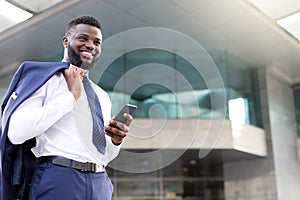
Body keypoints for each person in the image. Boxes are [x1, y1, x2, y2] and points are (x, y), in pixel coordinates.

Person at [0, 15, 132, 200]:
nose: (90, 45)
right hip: (59, 178)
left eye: (97, 42)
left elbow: (104, 155)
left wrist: (115, 141)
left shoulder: (101, 95)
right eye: (83, 38)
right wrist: (71, 97)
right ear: (66, 41)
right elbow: (15, 132)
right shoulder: (45, 80)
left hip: (100, 182)